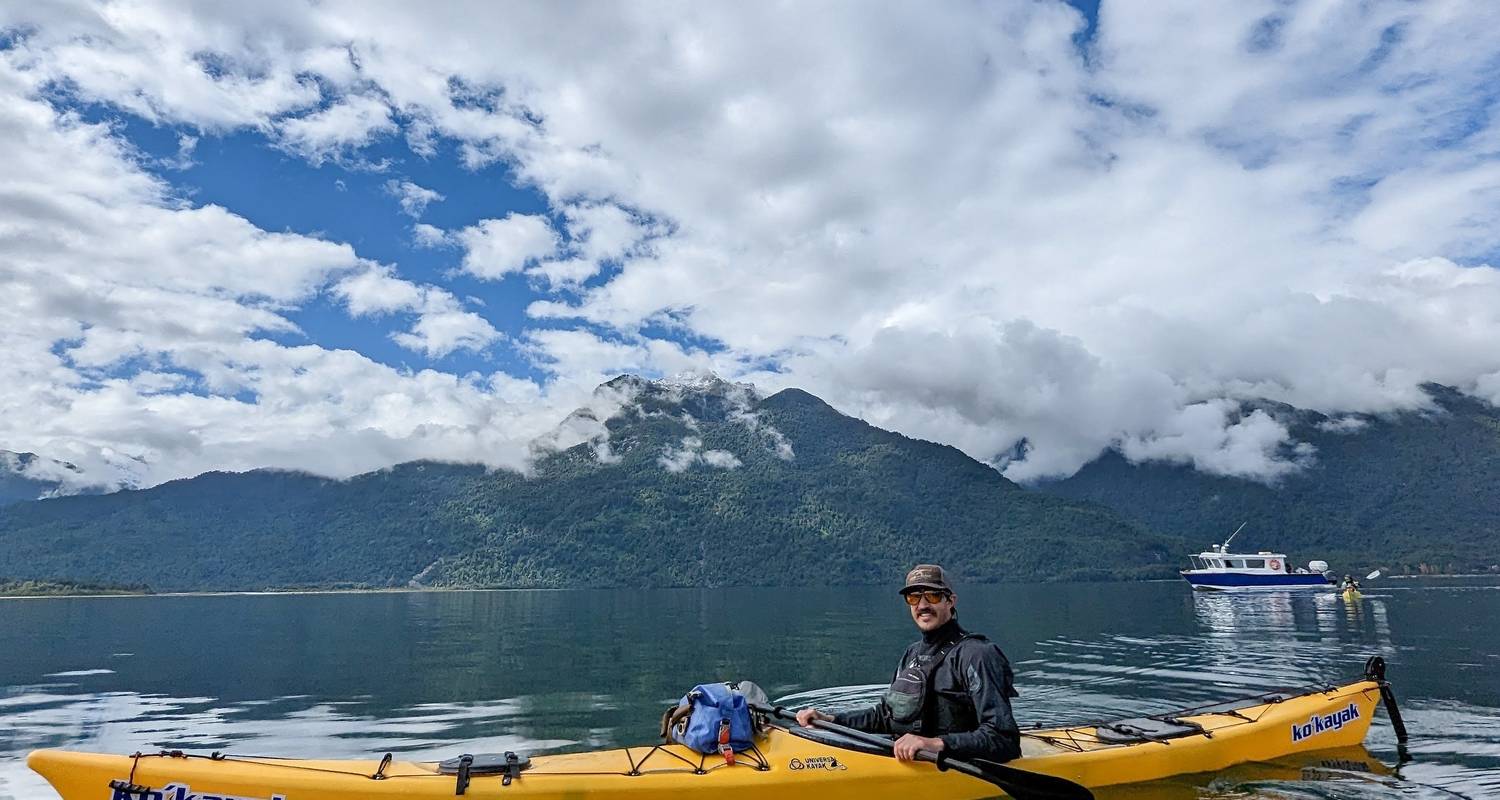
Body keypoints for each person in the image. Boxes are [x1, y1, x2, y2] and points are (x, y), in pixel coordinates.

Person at [794, 564, 1022, 764]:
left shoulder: (977, 654)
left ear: (951, 601)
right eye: (914, 597)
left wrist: (934, 743)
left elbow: (1004, 739)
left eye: (932, 596)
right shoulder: (912, 653)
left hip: (955, 765)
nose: (922, 605)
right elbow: (884, 717)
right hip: (909, 757)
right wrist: (832, 719)